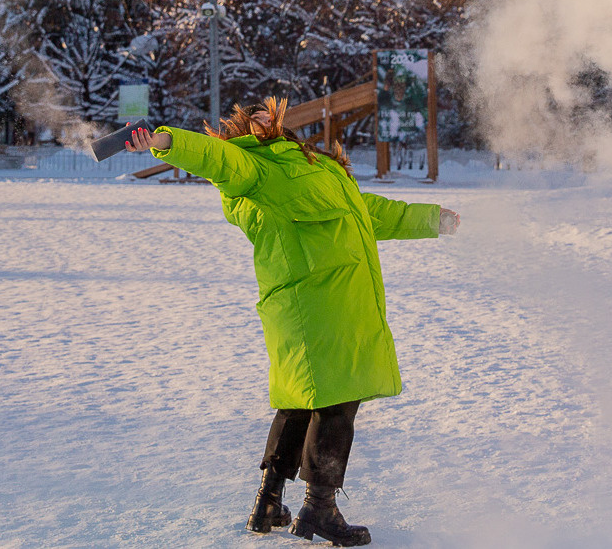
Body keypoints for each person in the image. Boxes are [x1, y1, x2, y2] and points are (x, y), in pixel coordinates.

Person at [127, 96, 460, 546]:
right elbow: (213, 156)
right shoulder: (254, 168)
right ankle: (319, 509)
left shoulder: (307, 165)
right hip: (317, 305)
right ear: (242, 132)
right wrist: (165, 141)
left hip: (330, 304)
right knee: (337, 402)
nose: (264, 116)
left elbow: (370, 211)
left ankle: (269, 500)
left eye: (266, 114)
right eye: (253, 118)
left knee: (304, 400)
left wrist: (433, 220)